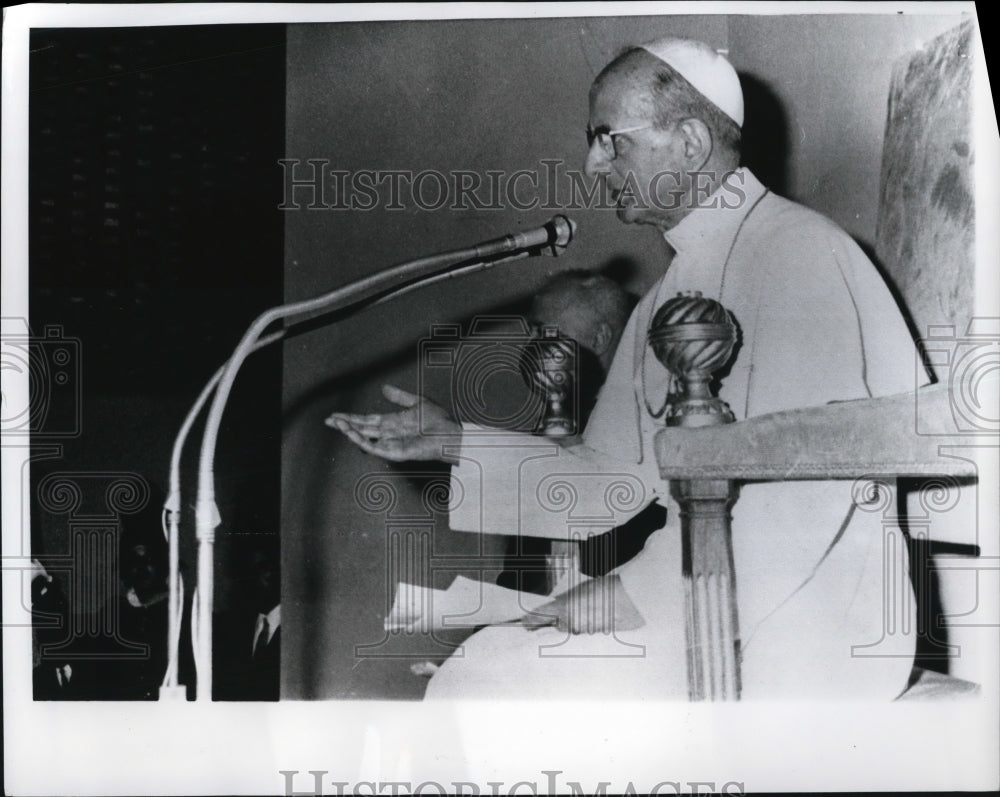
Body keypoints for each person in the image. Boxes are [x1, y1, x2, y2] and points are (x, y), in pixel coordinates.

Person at [329, 37, 924, 700]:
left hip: (814, 623)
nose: (593, 163)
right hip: (700, 601)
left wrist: (629, 594)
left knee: (494, 687)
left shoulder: (802, 254)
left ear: (692, 143)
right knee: (484, 665)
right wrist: (452, 442)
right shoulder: (672, 292)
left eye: (611, 140)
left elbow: (805, 501)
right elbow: (605, 476)